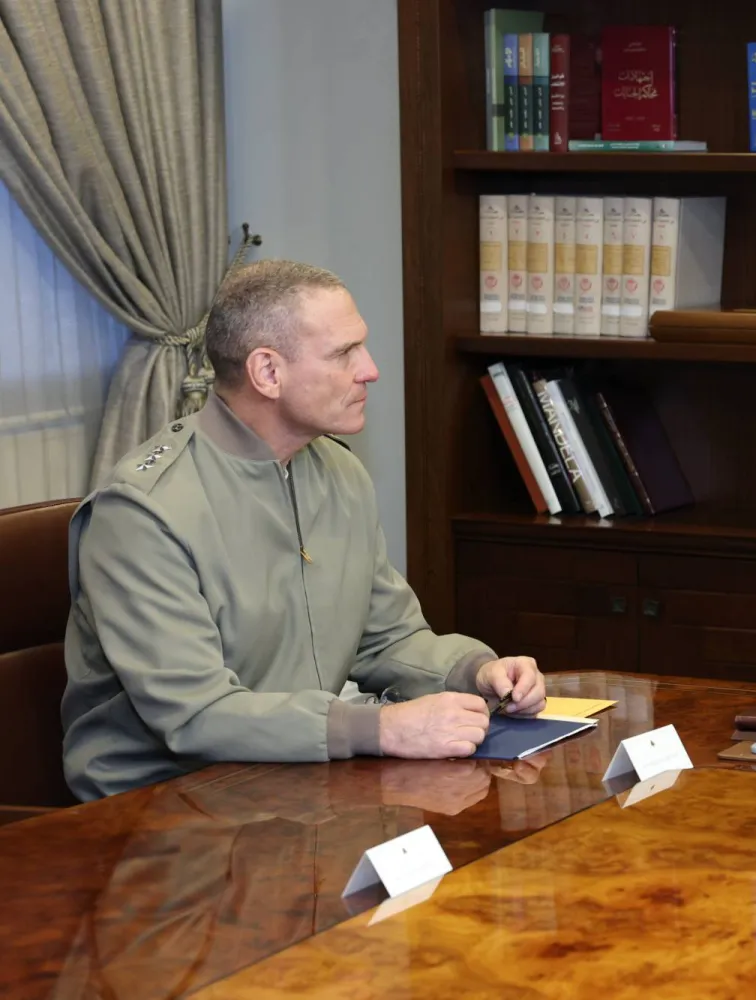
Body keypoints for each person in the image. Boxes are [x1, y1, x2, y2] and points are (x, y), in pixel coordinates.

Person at [60, 259, 545, 801]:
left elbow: (389, 636)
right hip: (158, 812)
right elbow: (194, 715)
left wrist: (475, 671)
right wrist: (380, 729)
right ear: (267, 372)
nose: (370, 369)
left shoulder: (340, 474)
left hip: (295, 784)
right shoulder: (143, 513)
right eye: (344, 353)